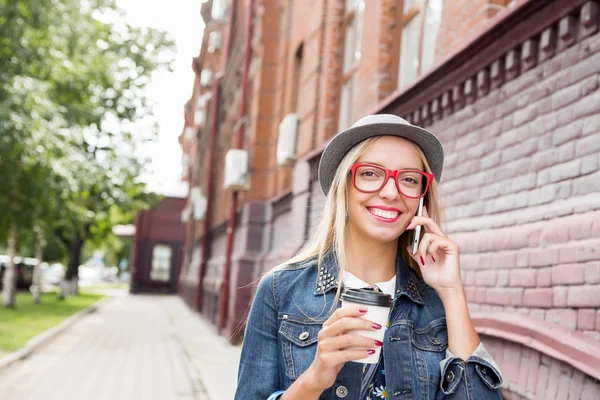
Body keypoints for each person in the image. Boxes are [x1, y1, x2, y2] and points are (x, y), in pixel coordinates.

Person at [234, 114, 503, 399]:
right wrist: (314, 379)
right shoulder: (281, 290)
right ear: (344, 185)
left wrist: (451, 292)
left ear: (420, 199)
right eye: (370, 173)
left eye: (409, 179)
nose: (390, 192)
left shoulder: (435, 301)